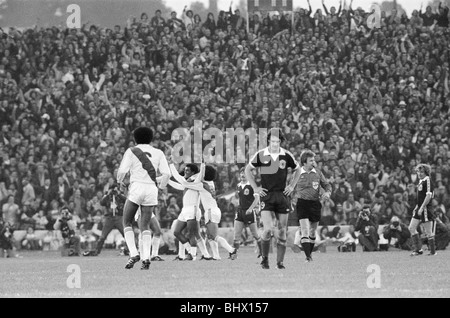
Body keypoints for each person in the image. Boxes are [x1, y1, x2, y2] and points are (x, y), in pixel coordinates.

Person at [245, 128, 300, 269]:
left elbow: (298, 169)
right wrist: (256, 188)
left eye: (277, 141)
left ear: (280, 141)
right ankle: (264, 259)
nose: (275, 144)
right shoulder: (261, 154)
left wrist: (292, 185)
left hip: (282, 195)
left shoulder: (286, 155)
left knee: (282, 230)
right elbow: (247, 170)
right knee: (268, 229)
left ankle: (280, 263)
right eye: (273, 141)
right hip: (267, 195)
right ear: (268, 140)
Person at [117, 127, 171, 270]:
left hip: (136, 188)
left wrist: (119, 181)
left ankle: (134, 253)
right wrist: (161, 187)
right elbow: (167, 174)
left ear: (135, 138)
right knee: (145, 225)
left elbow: (122, 170)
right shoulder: (158, 152)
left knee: (127, 221)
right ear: (151, 138)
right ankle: (146, 258)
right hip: (151, 189)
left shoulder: (131, 151)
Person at [170, 162, 236, 260]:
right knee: (209, 237)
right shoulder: (209, 183)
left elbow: (184, 184)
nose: (201, 173)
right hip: (213, 210)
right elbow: (186, 185)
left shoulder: (201, 184)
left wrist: (171, 166)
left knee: (213, 236)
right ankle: (215, 256)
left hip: (210, 211)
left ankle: (231, 250)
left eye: (202, 172)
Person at [290, 149, 332, 262]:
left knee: (313, 231)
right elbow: (290, 188)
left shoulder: (318, 172)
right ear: (304, 162)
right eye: (311, 160)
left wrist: (327, 193)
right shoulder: (297, 173)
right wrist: (289, 202)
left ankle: (309, 254)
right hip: (302, 203)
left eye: (313, 160)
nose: (313, 162)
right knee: (305, 230)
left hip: (315, 203)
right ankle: (308, 257)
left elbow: (327, 185)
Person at [84, 183, 127, 256]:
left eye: (115, 188)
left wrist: (118, 194)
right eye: (112, 188)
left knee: (125, 234)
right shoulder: (107, 196)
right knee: (103, 236)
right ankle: (97, 251)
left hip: (118, 217)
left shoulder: (120, 195)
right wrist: (108, 194)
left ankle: (131, 250)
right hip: (109, 218)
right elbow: (102, 203)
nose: (113, 190)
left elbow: (126, 200)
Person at [408, 164, 437, 256]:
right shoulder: (420, 181)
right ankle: (418, 249)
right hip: (419, 208)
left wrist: (421, 208)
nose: (419, 174)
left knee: (428, 232)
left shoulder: (428, 180)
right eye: (418, 172)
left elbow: (428, 196)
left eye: (421, 172)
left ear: (426, 172)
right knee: (411, 228)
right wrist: (417, 207)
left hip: (426, 209)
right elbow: (420, 197)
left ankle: (433, 252)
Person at [233, 167, 262, 257]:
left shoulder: (252, 186)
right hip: (240, 212)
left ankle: (262, 253)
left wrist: (251, 209)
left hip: (249, 212)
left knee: (255, 235)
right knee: (236, 235)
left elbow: (257, 199)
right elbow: (240, 198)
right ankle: (234, 254)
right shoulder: (238, 185)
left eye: (244, 173)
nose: (242, 175)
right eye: (241, 173)